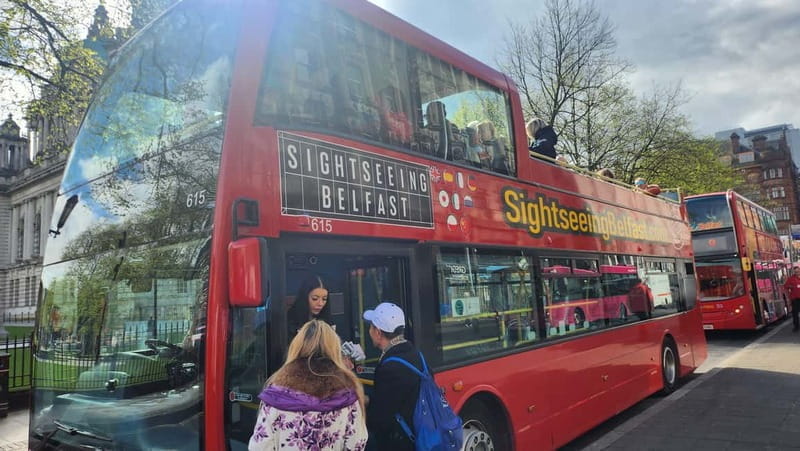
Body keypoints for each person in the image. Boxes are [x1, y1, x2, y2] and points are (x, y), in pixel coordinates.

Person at [248, 320, 368, 450]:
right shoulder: (347, 394)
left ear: (296, 347)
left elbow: (259, 447)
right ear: (335, 349)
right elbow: (356, 444)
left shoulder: (274, 394)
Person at [363, 302, 422, 451]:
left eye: (371, 327)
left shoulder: (389, 367)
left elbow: (380, 418)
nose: (369, 331)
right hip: (420, 433)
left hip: (402, 442)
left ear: (378, 332)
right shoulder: (416, 354)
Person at [783, 266, 800, 332]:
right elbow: (785, 286)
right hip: (795, 299)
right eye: (795, 272)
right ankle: (796, 326)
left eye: (798, 271)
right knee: (795, 313)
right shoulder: (791, 278)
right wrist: (791, 286)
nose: (797, 273)